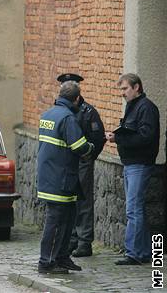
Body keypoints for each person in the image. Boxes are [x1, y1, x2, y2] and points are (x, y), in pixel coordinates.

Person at [37, 80, 94, 274]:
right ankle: (46, 262)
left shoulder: (48, 114)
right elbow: (79, 146)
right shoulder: (68, 118)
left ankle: (61, 258)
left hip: (52, 176)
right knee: (56, 223)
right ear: (77, 99)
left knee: (67, 220)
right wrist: (91, 148)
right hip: (60, 178)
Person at [105, 73, 159, 265]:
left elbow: (146, 137)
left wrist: (118, 138)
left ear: (137, 87)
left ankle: (134, 253)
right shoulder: (133, 106)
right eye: (121, 89)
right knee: (137, 209)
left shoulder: (146, 108)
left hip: (139, 164)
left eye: (125, 88)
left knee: (133, 210)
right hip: (131, 163)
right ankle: (143, 252)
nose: (122, 93)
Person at [56, 73, 106, 257]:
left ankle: (84, 242)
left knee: (83, 202)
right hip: (64, 163)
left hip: (81, 162)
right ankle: (70, 240)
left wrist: (89, 157)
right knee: (67, 202)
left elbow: (98, 137)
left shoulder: (87, 111)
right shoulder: (59, 111)